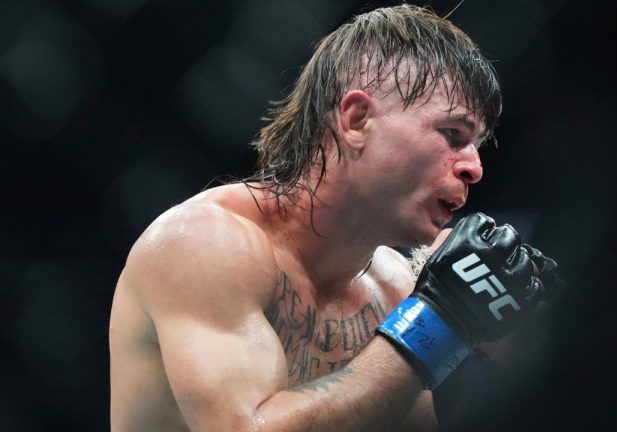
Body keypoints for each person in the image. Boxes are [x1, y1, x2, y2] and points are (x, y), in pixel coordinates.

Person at [109, 4, 560, 431]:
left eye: (476, 147)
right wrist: (440, 321)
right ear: (357, 119)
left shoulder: (395, 288)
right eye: (452, 134)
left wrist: (522, 363)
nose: (473, 167)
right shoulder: (205, 244)